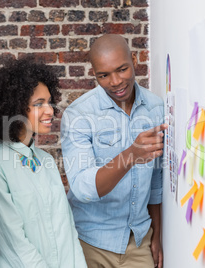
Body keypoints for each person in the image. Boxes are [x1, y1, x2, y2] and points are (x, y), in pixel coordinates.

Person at [61, 34, 167, 268]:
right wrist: (131, 155)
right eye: (104, 75)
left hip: (139, 241)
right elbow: (82, 188)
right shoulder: (78, 115)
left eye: (122, 69)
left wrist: (157, 235)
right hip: (89, 241)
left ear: (135, 61)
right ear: (94, 74)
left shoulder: (156, 107)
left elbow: (156, 183)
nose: (116, 81)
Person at [0, 57, 87, 268]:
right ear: (14, 108)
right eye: (39, 104)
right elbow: (12, 242)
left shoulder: (45, 160)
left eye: (49, 102)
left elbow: (67, 232)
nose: (50, 111)